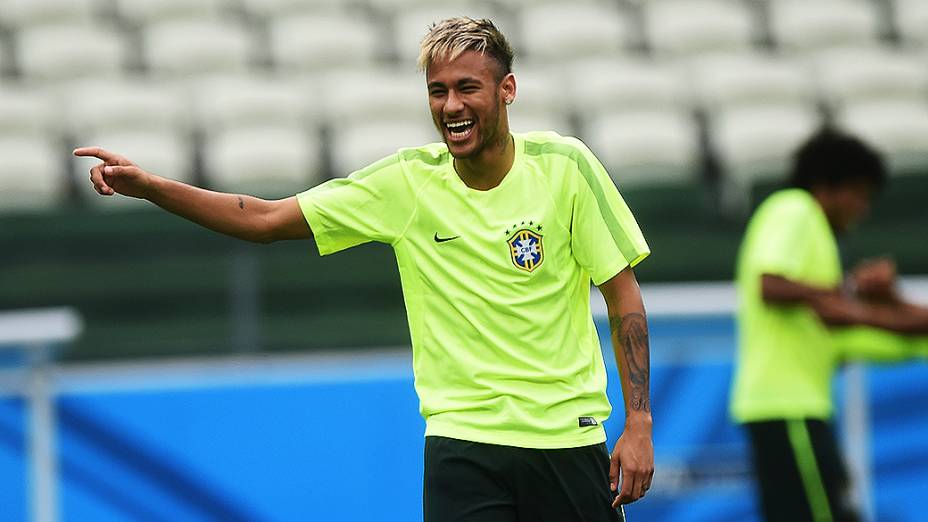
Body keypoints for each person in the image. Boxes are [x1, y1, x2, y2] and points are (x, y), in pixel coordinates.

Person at [75, 17, 653, 522]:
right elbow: (265, 219)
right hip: (462, 444)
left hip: (566, 440)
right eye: (438, 91)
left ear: (507, 90)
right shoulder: (406, 183)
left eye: (466, 88)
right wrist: (150, 187)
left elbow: (622, 295)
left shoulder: (566, 167)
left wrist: (640, 423)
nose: (450, 106)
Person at [729, 128, 928, 522]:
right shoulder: (794, 208)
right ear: (825, 187)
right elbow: (770, 284)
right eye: (858, 193)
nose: (862, 208)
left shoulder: (820, 251)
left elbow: (859, 328)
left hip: (795, 412)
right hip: (789, 410)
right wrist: (850, 296)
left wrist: (881, 303)